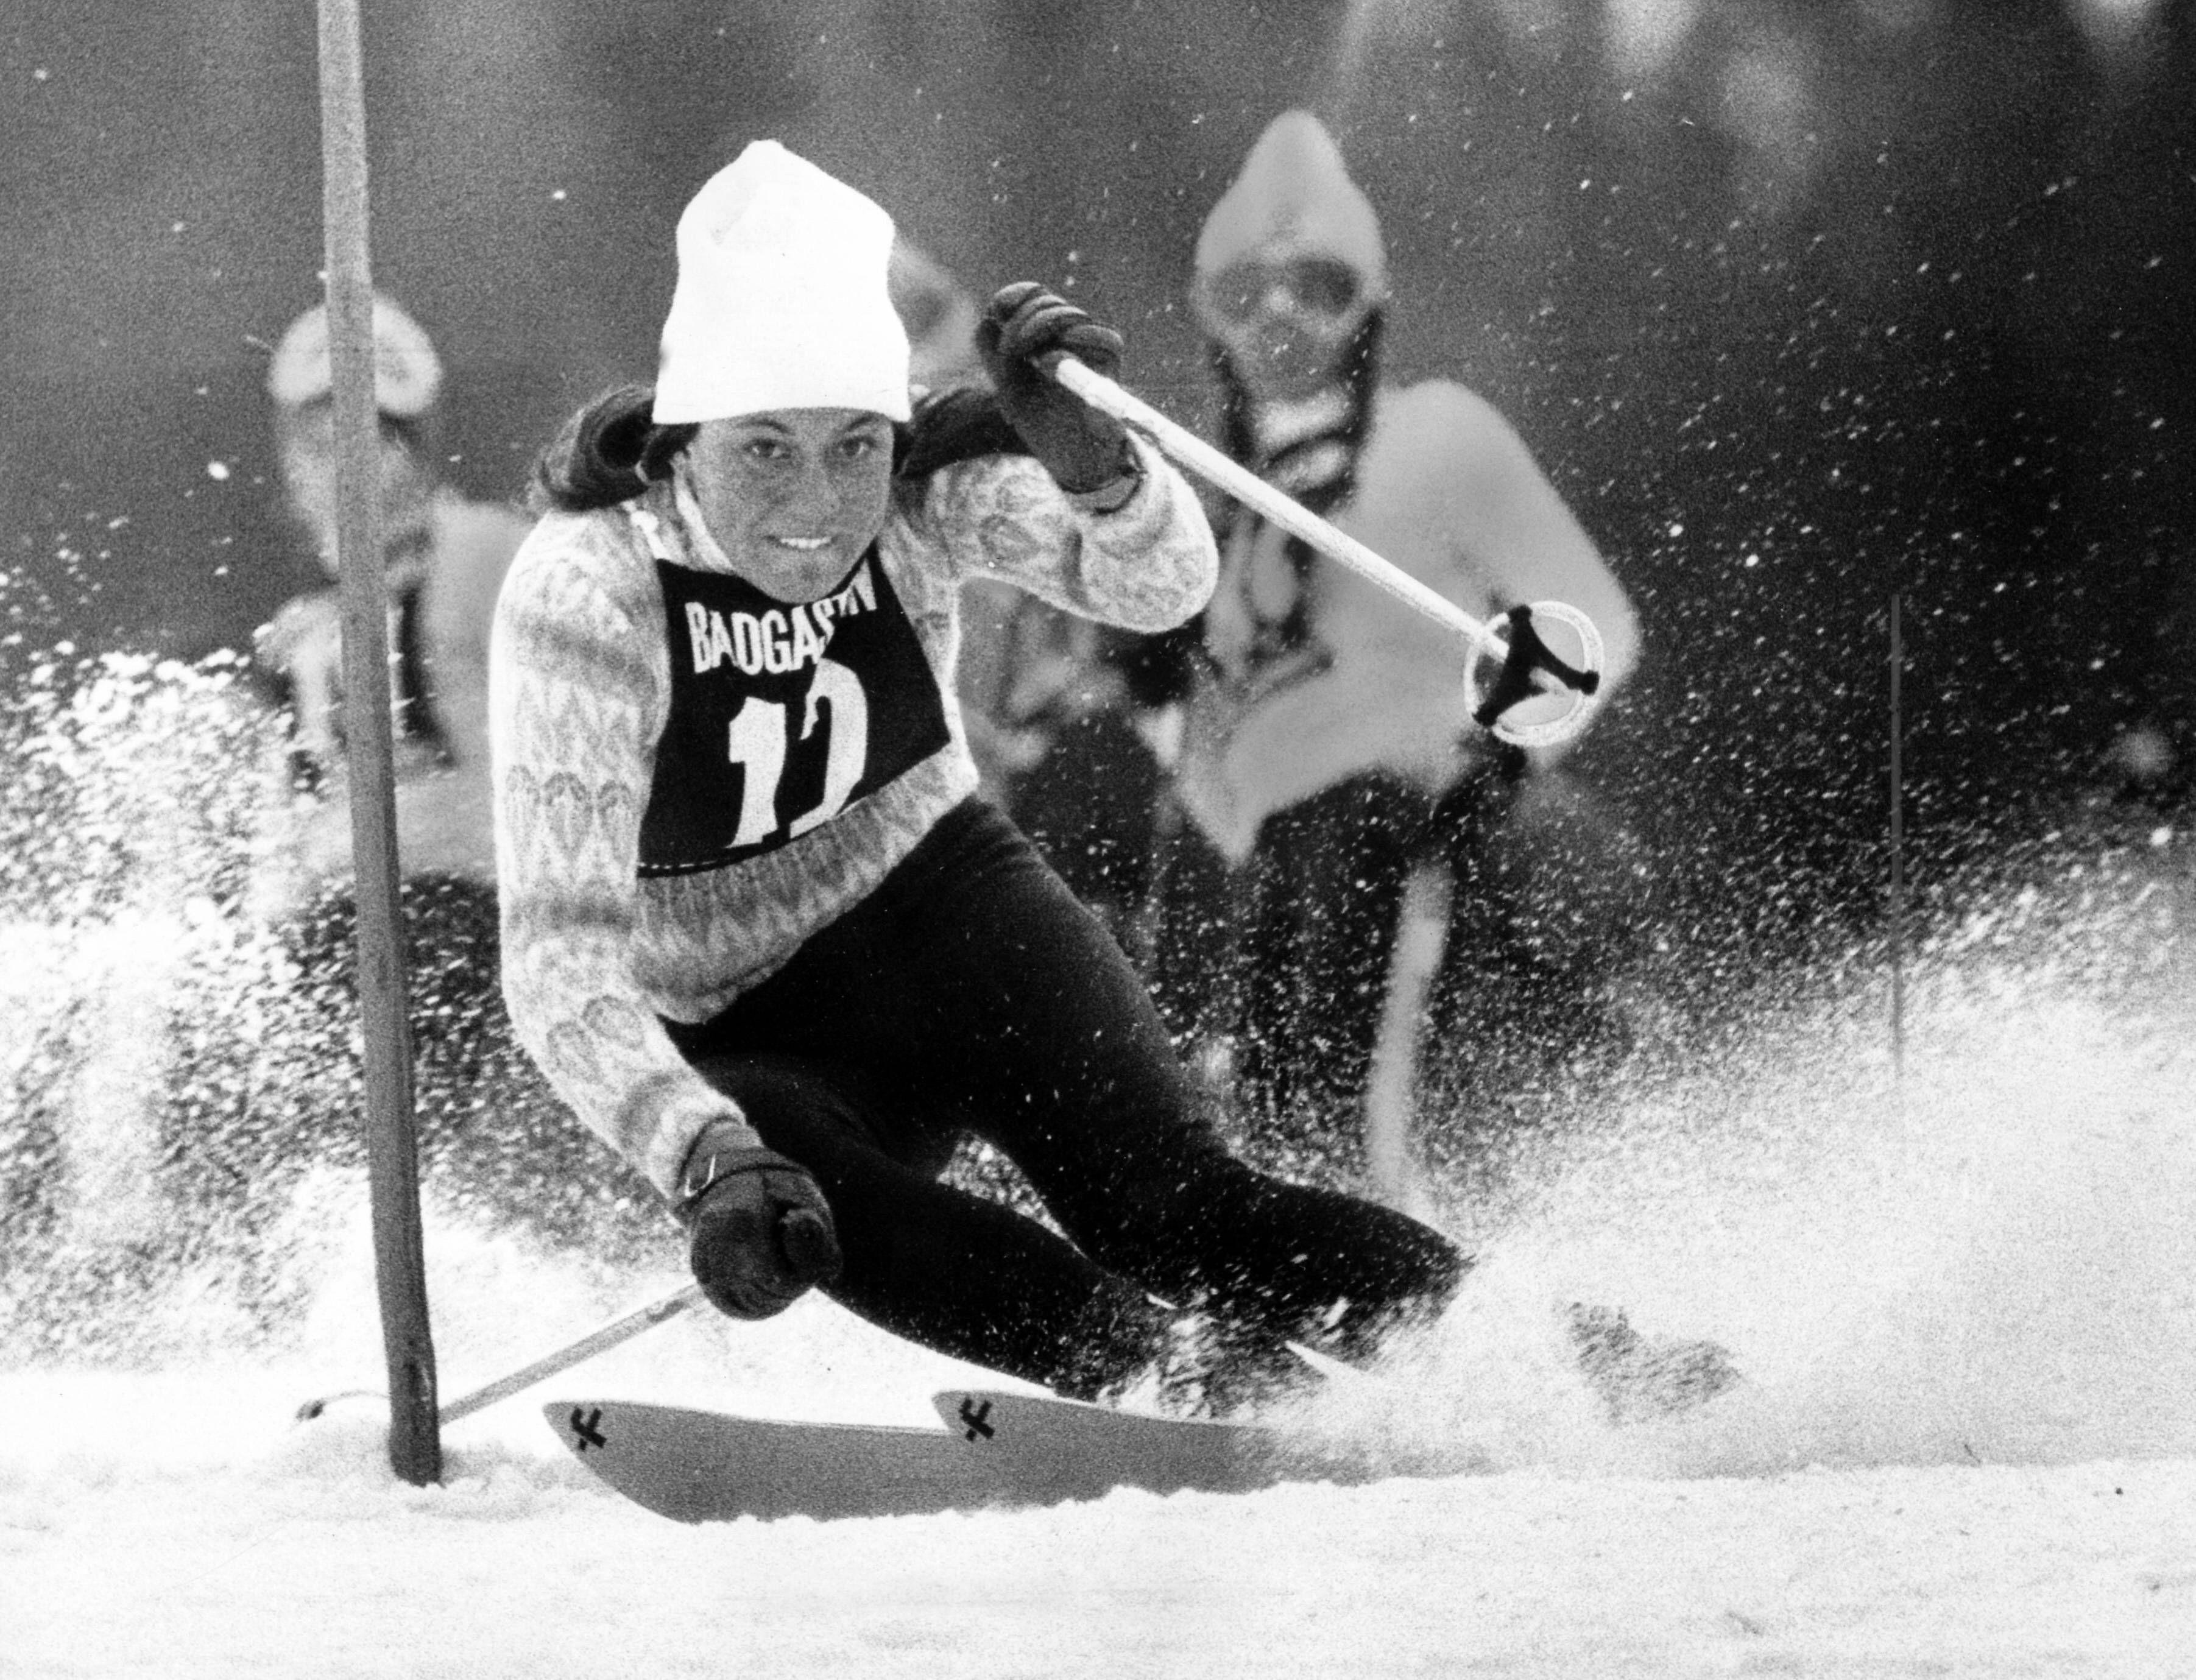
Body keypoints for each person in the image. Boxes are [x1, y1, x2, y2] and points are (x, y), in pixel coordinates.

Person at [489, 139, 1470, 1413]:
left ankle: (1516, 1346)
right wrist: (704, 1153)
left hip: (949, 913)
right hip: (753, 1027)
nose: (818, 504)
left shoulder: (923, 491)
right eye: (766, 451)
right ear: (682, 441)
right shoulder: (590, 593)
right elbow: (559, 963)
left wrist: (1103, 471)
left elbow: (1159, 583)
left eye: (854, 445)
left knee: (1176, 1211)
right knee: (798, 1173)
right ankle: (1188, 1385)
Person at [1130, 111, 1646, 1196]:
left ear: (1365, 307)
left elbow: (1588, 614)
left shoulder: (1438, 434)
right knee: (1227, 1034)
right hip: (1283, 861)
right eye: (1244, 293)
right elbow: (1204, 759)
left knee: (1474, 962)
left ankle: (1482, 1245)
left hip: (1446, 816)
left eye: (1315, 285)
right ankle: (1272, 1279)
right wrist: (1158, 699)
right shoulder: (1195, 505)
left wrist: (1497, 753)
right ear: (1209, 320)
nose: (1279, 317)